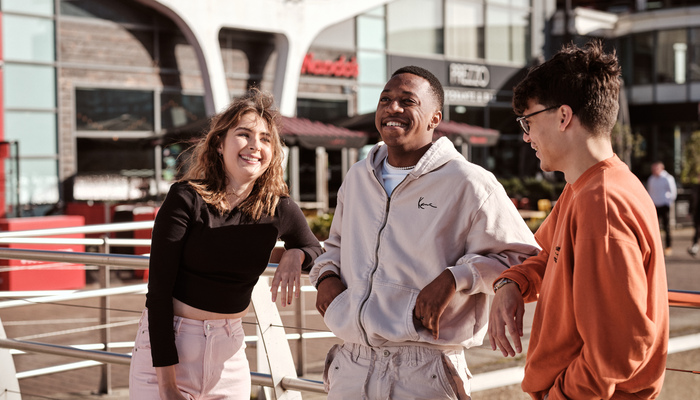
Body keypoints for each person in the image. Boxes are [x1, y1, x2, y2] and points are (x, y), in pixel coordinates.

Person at [310, 65, 540, 399]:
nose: (393, 108)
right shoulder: (358, 176)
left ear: (435, 118)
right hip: (351, 365)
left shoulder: (470, 183)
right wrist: (326, 276)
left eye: (407, 101)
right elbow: (336, 245)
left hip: (425, 371)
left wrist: (455, 277)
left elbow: (522, 260)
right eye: (385, 99)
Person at [488, 41, 669, 400]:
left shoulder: (601, 202)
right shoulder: (589, 186)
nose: (526, 136)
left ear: (563, 116)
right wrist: (510, 284)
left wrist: (561, 396)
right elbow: (541, 255)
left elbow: (620, 347)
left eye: (528, 120)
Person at [129, 89, 323, 400]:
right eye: (243, 134)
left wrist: (296, 253)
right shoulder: (185, 198)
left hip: (229, 351)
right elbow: (159, 293)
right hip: (170, 348)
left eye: (264, 138)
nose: (254, 146)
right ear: (219, 144)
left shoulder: (279, 208)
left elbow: (316, 250)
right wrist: (167, 385)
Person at [647, 161, 677, 255]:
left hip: (664, 205)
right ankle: (655, 247)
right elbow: (649, 191)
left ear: (661, 168)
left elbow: (673, 192)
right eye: (653, 168)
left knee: (666, 227)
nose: (654, 170)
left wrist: (668, 203)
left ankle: (668, 246)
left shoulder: (667, 178)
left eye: (656, 168)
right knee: (654, 227)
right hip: (655, 205)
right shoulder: (651, 178)